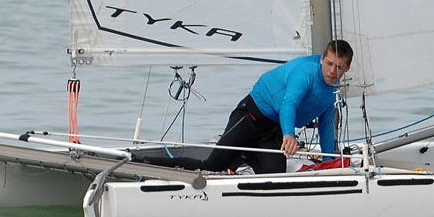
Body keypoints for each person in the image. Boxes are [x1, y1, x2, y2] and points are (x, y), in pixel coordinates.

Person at [137, 40, 353, 174]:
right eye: (329, 63)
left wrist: (328, 164)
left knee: (274, 173)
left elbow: (326, 125)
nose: (333, 71)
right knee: (211, 166)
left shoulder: (331, 90)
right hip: (251, 115)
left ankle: (242, 157)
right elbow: (290, 103)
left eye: (339, 67)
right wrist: (289, 134)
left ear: (347, 68)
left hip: (273, 129)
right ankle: (143, 162)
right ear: (322, 59)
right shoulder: (305, 72)